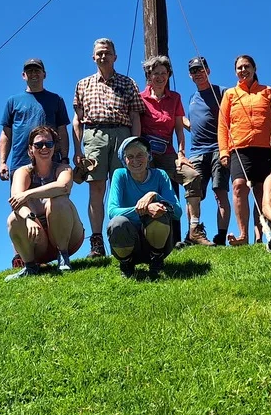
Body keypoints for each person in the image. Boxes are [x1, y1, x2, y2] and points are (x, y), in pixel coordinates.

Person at [73, 38, 145, 258]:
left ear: (115, 56)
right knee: (96, 188)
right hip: (94, 134)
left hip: (122, 135)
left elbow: (135, 116)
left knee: (122, 186)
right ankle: (96, 241)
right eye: (99, 53)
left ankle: (123, 236)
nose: (103, 56)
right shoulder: (83, 84)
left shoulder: (128, 83)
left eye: (107, 52)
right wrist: (77, 151)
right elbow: (77, 120)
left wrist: (135, 144)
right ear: (93, 57)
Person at [218, 54, 271, 246]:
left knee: (262, 190)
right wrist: (223, 152)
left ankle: (261, 234)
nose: (243, 70)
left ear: (254, 69)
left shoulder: (267, 91)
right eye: (239, 68)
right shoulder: (230, 94)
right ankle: (243, 235)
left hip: (265, 149)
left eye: (247, 67)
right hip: (239, 148)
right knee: (239, 186)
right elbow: (223, 125)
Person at [5, 126, 85, 279]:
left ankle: (63, 257)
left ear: (54, 148)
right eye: (38, 145)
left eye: (48, 144)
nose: (44, 148)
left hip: (68, 238)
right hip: (37, 240)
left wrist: (28, 194)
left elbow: (63, 187)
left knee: (58, 201)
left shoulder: (64, 168)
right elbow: (16, 200)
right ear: (30, 149)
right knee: (13, 219)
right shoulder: (22, 172)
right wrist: (29, 218)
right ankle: (30, 266)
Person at [138, 55, 200, 245]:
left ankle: (195, 230)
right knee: (146, 188)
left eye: (164, 73)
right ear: (149, 75)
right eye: (156, 73)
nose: (160, 77)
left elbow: (180, 129)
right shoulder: (140, 98)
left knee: (192, 176)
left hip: (168, 152)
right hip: (146, 154)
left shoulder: (175, 98)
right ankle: (146, 236)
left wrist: (181, 153)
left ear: (168, 75)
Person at [106, 136, 182, 277]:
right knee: (117, 223)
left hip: (158, 243)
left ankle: (156, 259)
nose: (135, 160)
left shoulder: (160, 175)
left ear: (149, 156)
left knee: (161, 211)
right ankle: (126, 263)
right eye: (130, 156)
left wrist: (154, 196)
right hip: (128, 242)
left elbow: (177, 212)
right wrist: (144, 209)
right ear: (124, 160)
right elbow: (112, 211)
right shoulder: (120, 175)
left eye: (140, 155)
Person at [182, 56, 230, 246]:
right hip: (197, 152)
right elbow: (190, 122)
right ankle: (192, 233)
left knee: (220, 193)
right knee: (193, 194)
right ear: (190, 75)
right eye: (194, 71)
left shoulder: (223, 92)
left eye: (201, 69)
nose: (198, 73)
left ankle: (221, 236)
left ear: (208, 71)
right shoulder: (192, 98)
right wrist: (186, 124)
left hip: (219, 149)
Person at [0, 58, 71, 181]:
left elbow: (62, 131)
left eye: (37, 70)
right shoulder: (13, 101)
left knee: (52, 199)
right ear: (23, 75)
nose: (33, 74)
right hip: (21, 162)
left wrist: (64, 158)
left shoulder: (56, 100)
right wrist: (2, 162)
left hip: (50, 161)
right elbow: (6, 134)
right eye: (29, 71)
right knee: (20, 199)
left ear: (44, 74)